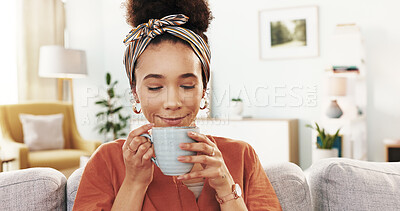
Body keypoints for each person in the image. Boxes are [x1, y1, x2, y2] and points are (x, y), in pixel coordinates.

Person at [73, 0, 282, 210]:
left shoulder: (242, 156)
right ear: (135, 92)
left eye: (187, 86)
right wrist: (134, 183)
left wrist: (227, 188)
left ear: (203, 90)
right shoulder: (106, 161)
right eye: (155, 87)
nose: (172, 102)